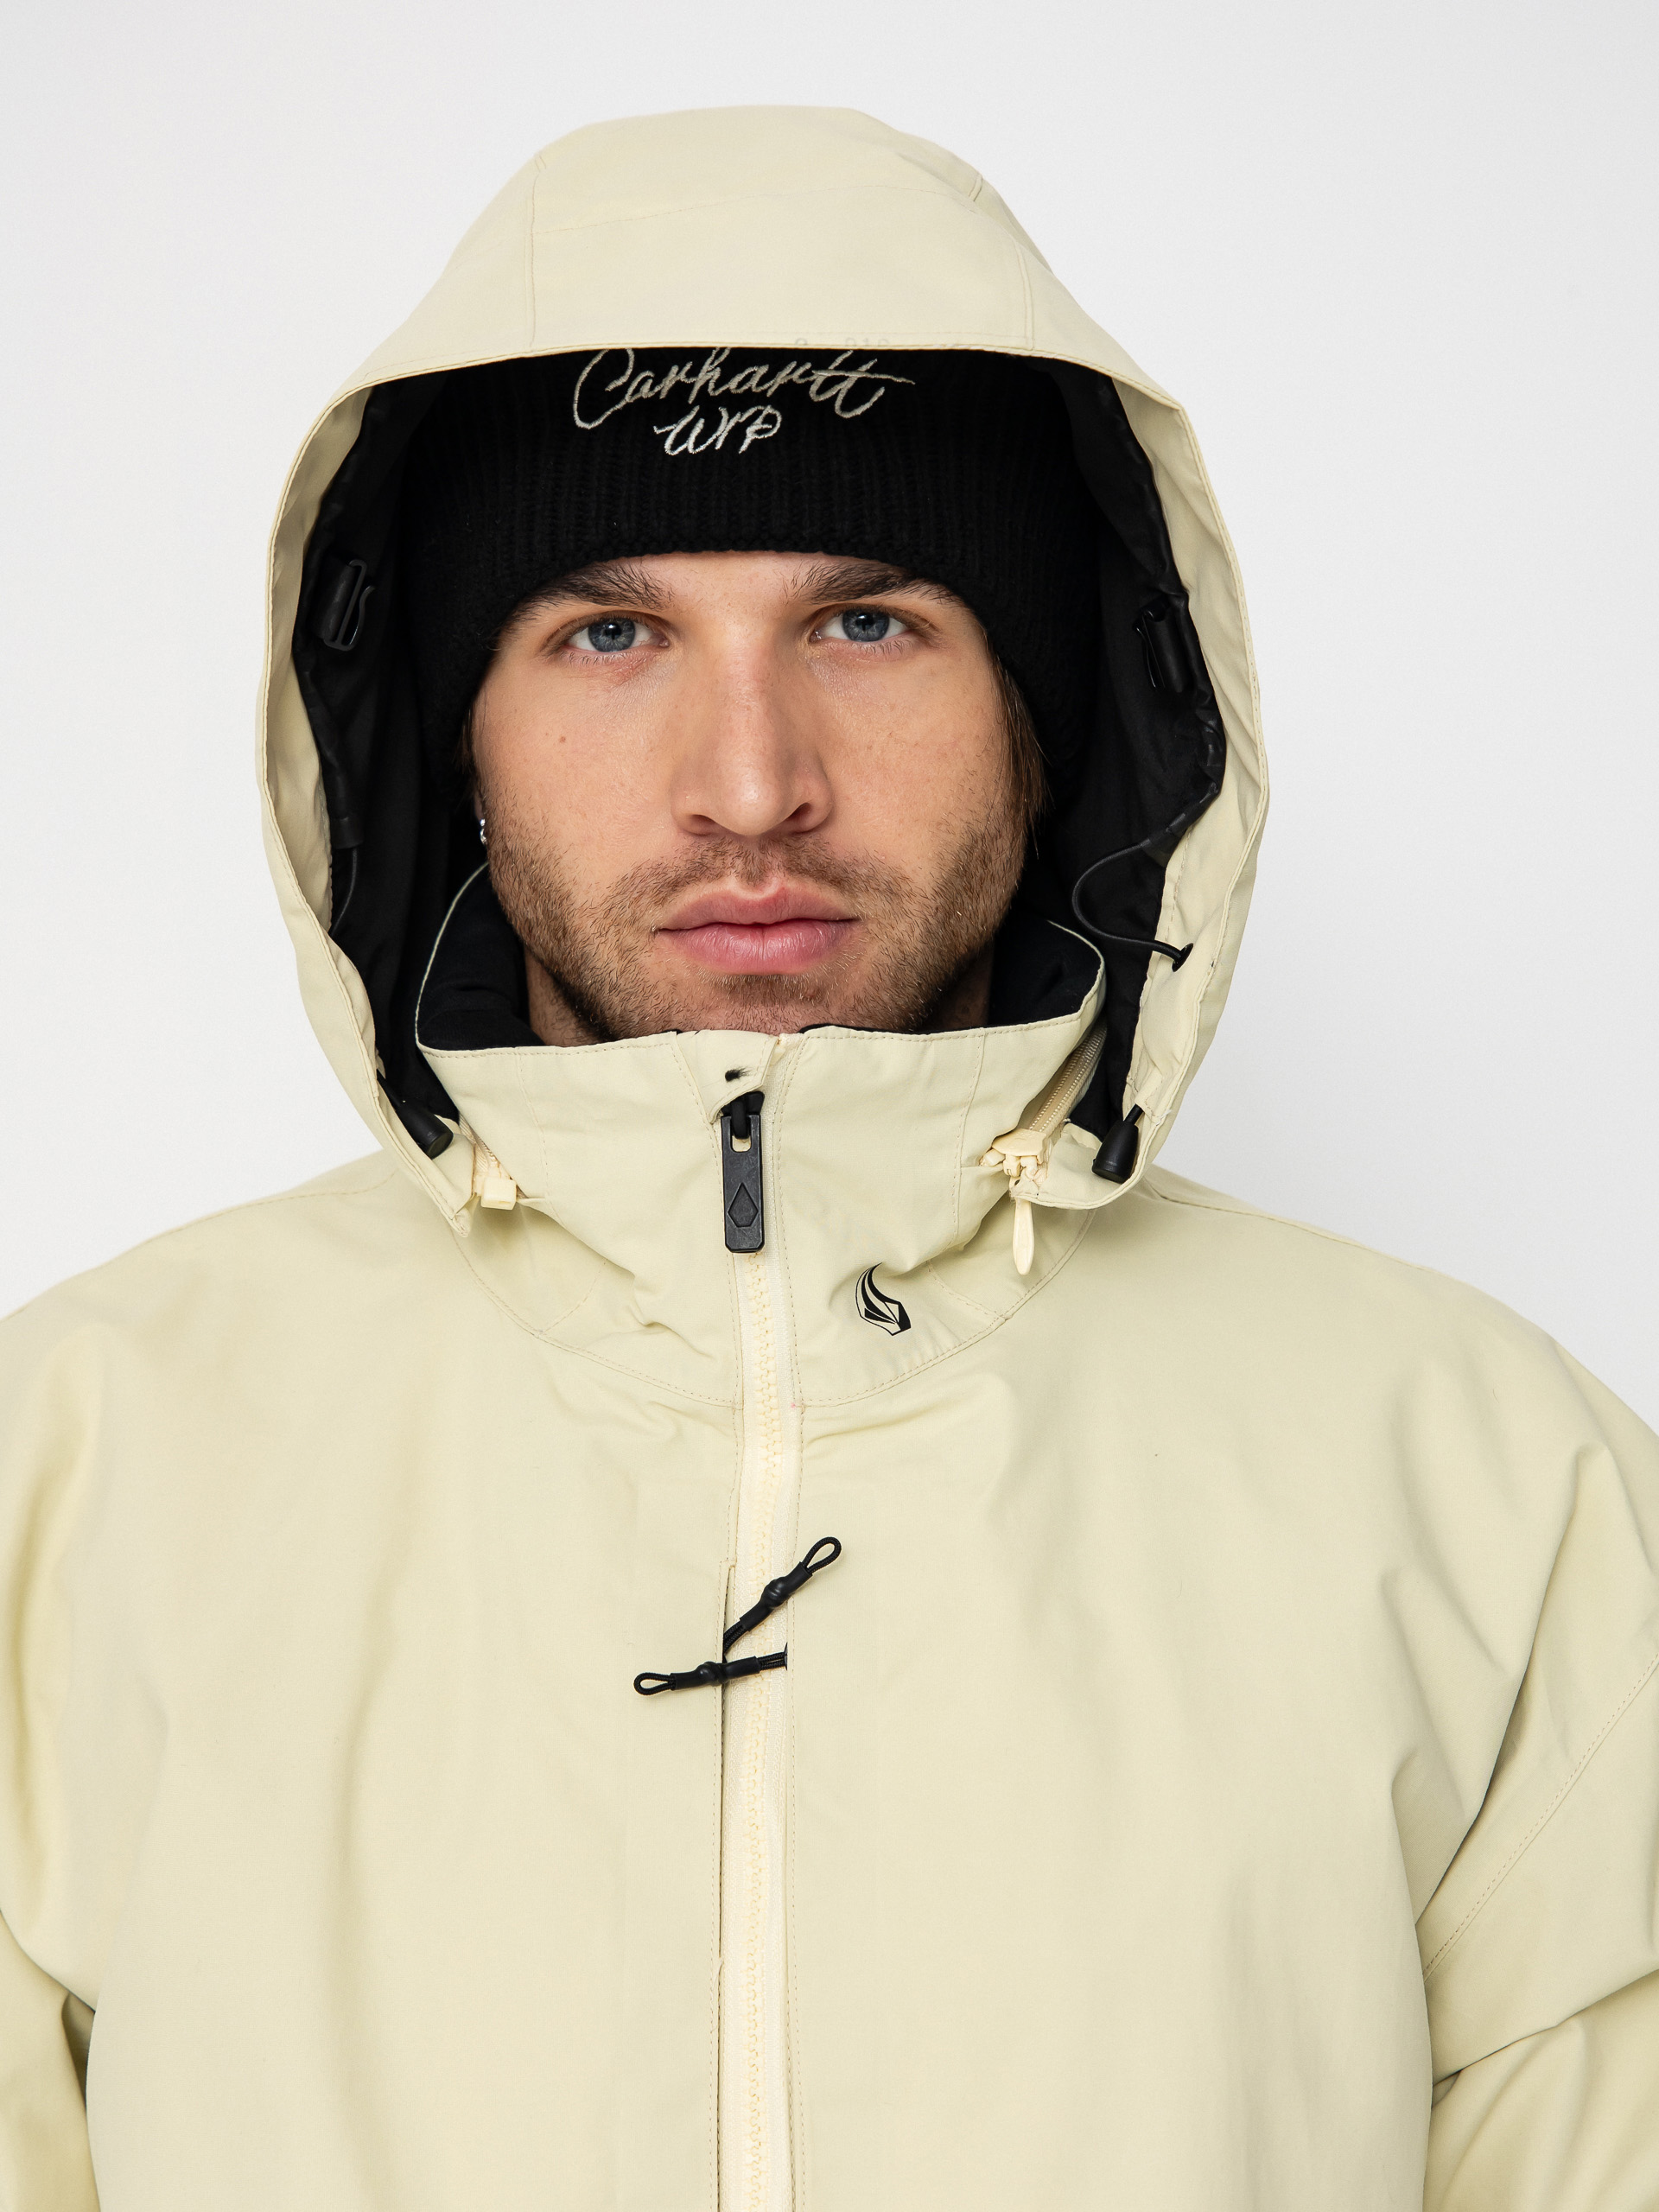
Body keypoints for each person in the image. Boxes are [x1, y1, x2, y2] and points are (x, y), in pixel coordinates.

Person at [0, 105, 1654, 2212]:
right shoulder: (73, 1472)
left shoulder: (1490, 1486)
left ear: (1053, 716)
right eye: (608, 634)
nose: (750, 782)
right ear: (451, 737)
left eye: (868, 622)